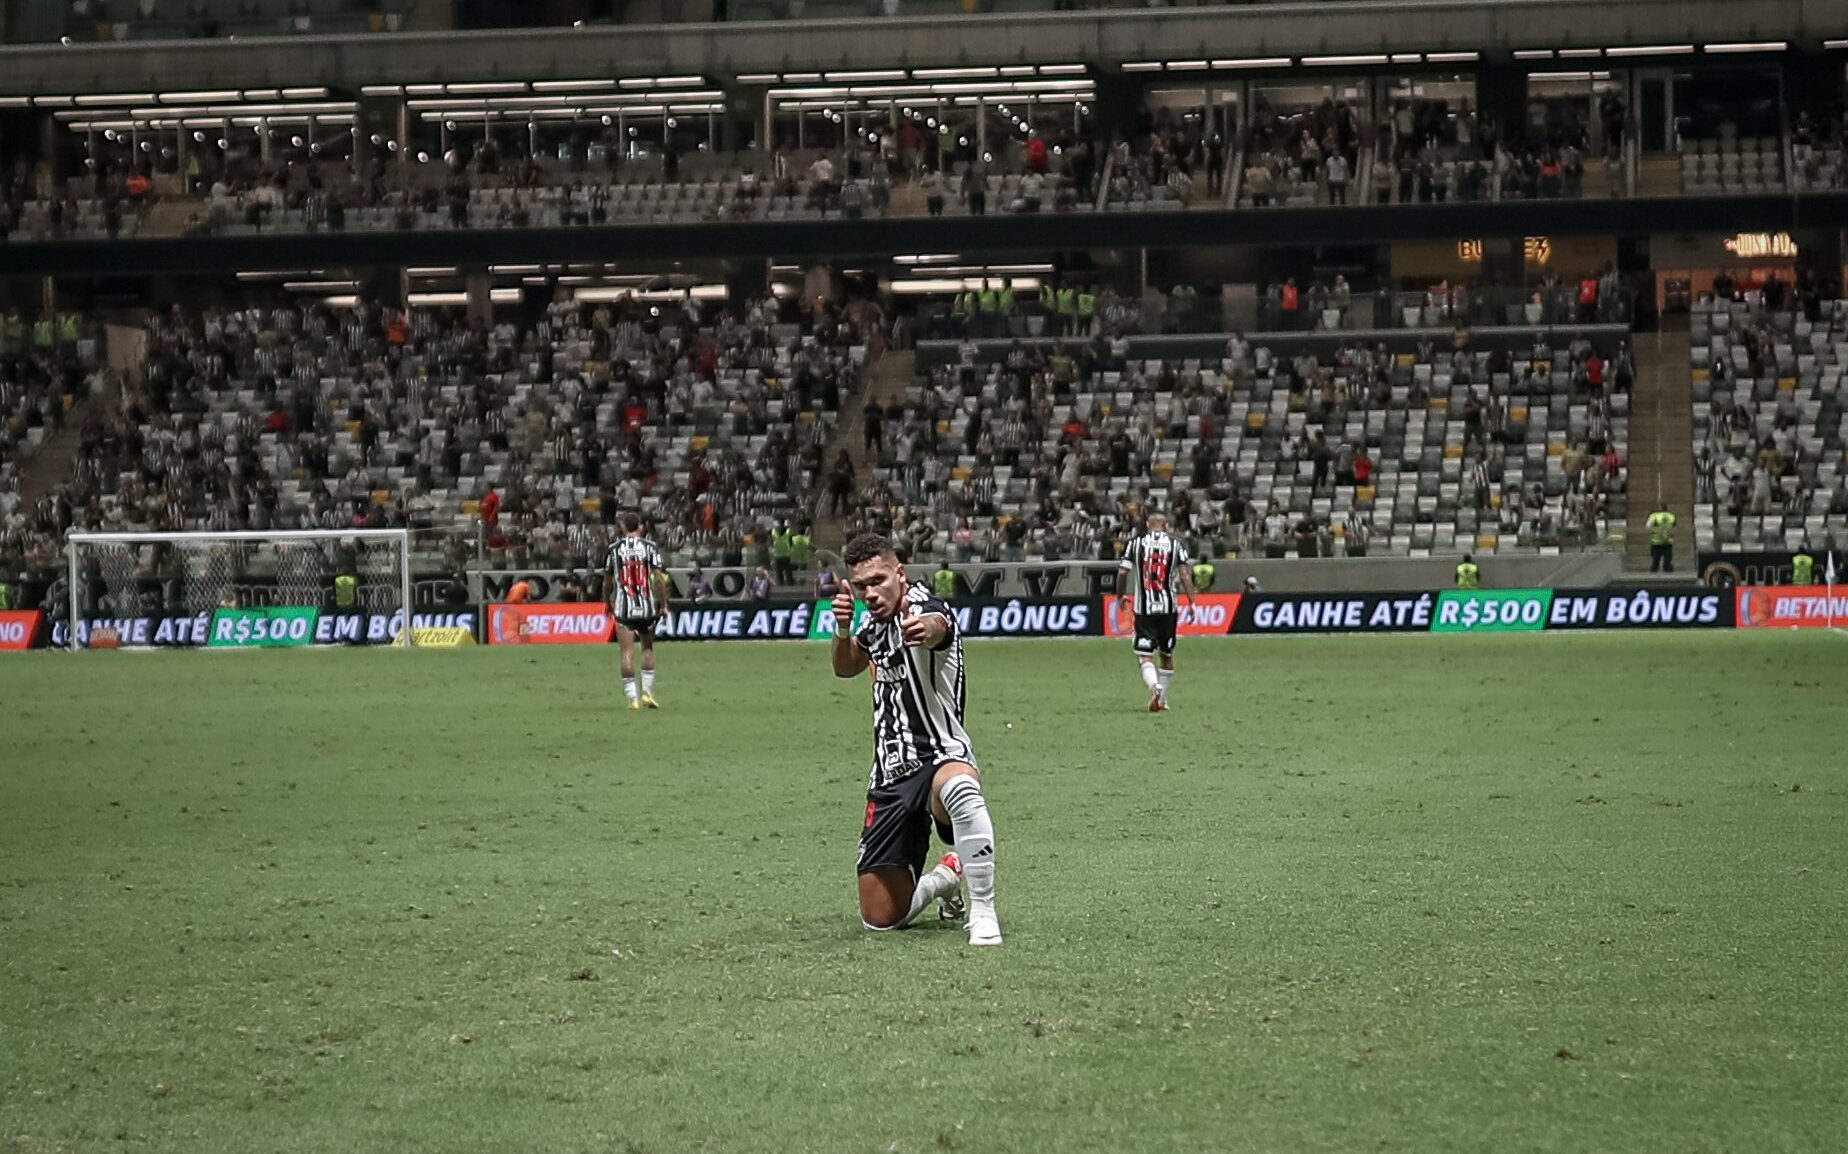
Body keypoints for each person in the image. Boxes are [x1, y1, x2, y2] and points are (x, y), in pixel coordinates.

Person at [830, 532, 1001, 947]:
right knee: (880, 920)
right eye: (861, 586)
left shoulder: (922, 606)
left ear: (900, 574)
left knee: (960, 787)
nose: (870, 593)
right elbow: (846, 666)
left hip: (939, 756)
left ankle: (983, 911)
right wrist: (841, 628)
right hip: (890, 776)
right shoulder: (873, 624)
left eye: (878, 580)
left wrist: (924, 628)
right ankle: (946, 876)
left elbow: (939, 625)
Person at [1117, 512, 1196, 713]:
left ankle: (1154, 687)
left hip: (1144, 609)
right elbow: (1185, 575)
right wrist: (1192, 602)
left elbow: (1123, 572)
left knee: (1145, 655)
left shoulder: (1135, 544)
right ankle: (1163, 700)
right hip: (1168, 608)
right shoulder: (1176, 544)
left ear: (1147, 525)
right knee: (1166, 655)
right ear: (1166, 525)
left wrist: (1119, 596)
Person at [608, 512, 669, 710]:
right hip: (647, 607)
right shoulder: (649, 548)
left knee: (626, 652)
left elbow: (606, 581)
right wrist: (664, 604)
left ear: (623, 527)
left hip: (624, 608)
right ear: (640, 527)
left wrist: (606, 602)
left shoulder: (614, 550)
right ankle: (647, 693)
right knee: (648, 648)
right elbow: (659, 578)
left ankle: (632, 698)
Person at [1647, 504, 1677, 572]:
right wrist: (1668, 535)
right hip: (1667, 542)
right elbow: (1674, 528)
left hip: (1656, 543)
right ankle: (1668, 579)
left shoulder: (1653, 516)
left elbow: (1648, 527)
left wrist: (1659, 533)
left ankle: (1652, 579)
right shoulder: (1671, 516)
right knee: (1667, 562)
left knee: (1655, 563)